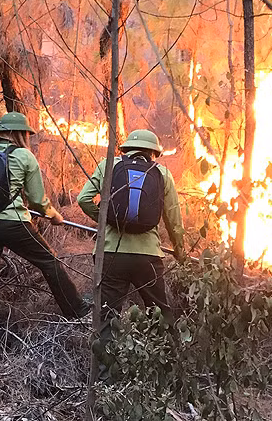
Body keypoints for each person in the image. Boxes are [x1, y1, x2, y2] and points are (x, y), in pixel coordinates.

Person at [0, 111, 89, 360]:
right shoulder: (24, 155)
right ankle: (77, 310)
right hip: (14, 223)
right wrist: (54, 215)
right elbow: (38, 201)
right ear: (20, 134)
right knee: (49, 262)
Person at [77, 129, 185, 380]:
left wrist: (105, 222)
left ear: (126, 149)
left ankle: (105, 381)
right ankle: (166, 376)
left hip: (111, 255)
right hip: (147, 257)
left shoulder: (108, 165)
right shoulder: (162, 173)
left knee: (108, 318)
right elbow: (174, 219)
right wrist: (180, 251)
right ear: (153, 152)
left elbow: (83, 199)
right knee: (160, 315)